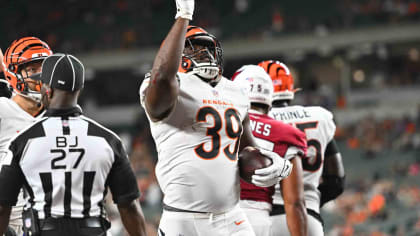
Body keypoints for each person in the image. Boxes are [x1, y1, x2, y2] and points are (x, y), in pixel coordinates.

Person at [139, 1, 293, 235]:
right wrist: (183, 16)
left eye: (209, 49)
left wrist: (272, 160)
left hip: (231, 216)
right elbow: (162, 77)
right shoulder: (169, 85)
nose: (206, 54)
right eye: (195, 48)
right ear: (175, 53)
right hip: (184, 219)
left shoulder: (235, 91)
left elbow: (245, 149)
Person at [0, 53, 147, 236]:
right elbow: (129, 207)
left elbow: (2, 207)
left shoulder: (22, 142)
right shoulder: (109, 140)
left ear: (48, 90)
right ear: (79, 89)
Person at [259, 60, 346, 236]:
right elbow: (336, 181)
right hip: (308, 218)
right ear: (291, 89)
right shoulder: (319, 117)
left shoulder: (251, 122)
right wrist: (311, 202)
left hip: (264, 219)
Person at [232, 65, 309, 236]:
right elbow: (295, 202)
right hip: (256, 218)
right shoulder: (286, 134)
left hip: (215, 214)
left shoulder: (219, 122)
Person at [0, 37, 53, 236]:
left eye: (44, 69)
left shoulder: (58, 116)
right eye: (32, 70)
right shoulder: (3, 110)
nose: (40, 76)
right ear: (13, 73)